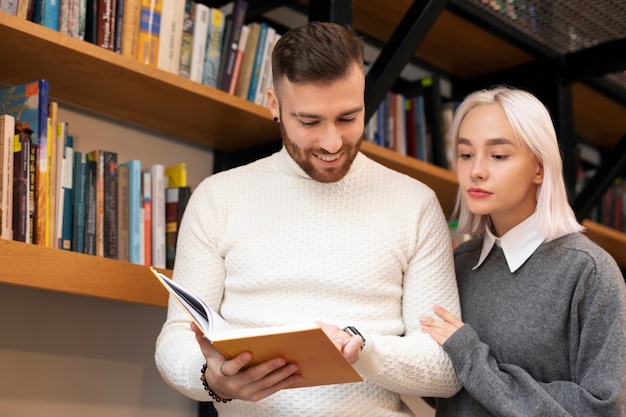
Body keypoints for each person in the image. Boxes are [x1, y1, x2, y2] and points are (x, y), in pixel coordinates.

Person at [155, 21, 462, 416]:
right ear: (273, 104)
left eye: (348, 118)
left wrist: (361, 349)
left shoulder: (415, 203)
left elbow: (446, 366)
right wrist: (210, 379)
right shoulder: (218, 198)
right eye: (310, 122)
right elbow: (177, 336)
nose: (332, 143)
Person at [420, 86, 626, 416]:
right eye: (466, 154)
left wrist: (471, 357)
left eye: (498, 156)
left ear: (539, 167)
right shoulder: (454, 265)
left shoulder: (588, 271)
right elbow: (442, 391)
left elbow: (600, 410)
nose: (476, 171)